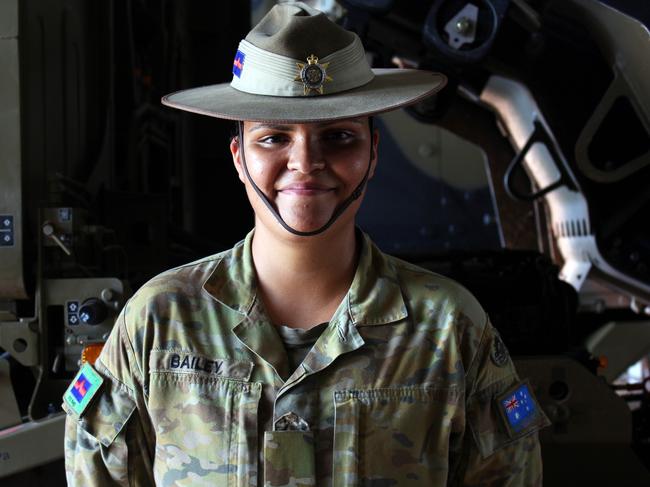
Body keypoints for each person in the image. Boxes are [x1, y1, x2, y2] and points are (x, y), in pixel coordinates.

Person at [63, 3, 549, 486]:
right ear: (238, 157)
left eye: (338, 136)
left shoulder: (448, 328)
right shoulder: (158, 323)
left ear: (372, 153)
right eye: (274, 138)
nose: (305, 161)